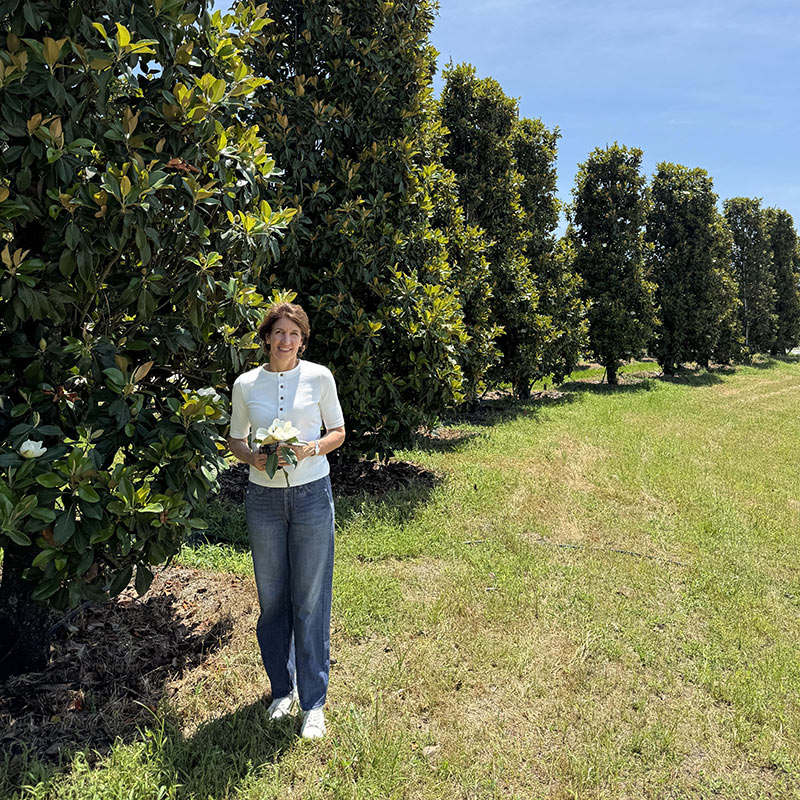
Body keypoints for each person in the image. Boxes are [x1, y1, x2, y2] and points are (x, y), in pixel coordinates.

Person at [227, 301, 345, 739]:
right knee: (273, 599)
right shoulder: (246, 384)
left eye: (294, 334)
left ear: (303, 339)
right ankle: (282, 689)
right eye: (279, 332)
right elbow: (236, 438)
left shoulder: (319, 377)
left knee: (310, 600)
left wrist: (310, 448)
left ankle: (314, 702)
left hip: (313, 497)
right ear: (267, 336)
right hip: (264, 501)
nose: (286, 341)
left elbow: (338, 431)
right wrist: (252, 457)